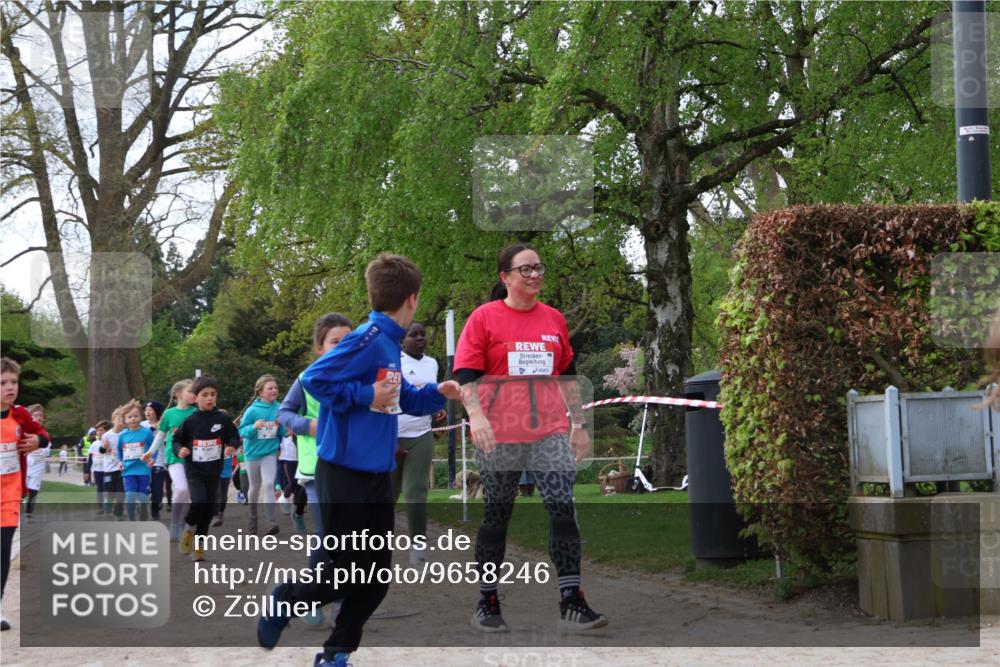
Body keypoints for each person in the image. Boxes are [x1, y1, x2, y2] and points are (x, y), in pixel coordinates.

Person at [257, 254, 462, 667]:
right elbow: (316, 378)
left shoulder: (388, 345)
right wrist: (366, 396)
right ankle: (287, 599)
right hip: (344, 474)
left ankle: (335, 654)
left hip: (376, 475)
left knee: (375, 580)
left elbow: (402, 399)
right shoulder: (368, 338)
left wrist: (442, 390)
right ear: (413, 299)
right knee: (345, 574)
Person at [452, 242, 607, 633]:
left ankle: (571, 601)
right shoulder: (483, 318)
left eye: (539, 267)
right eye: (526, 269)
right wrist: (477, 417)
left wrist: (579, 425)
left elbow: (568, 377)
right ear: (505, 277)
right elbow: (465, 378)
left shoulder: (554, 319)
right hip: (500, 433)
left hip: (549, 431)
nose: (535, 274)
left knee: (562, 506)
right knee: (497, 515)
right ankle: (487, 601)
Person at [278, 313, 353, 562]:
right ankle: (313, 593)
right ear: (319, 348)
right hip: (317, 468)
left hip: (355, 467)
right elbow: (284, 413)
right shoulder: (306, 379)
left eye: (349, 339)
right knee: (328, 536)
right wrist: (308, 425)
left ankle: (343, 595)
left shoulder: (363, 377)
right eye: (335, 341)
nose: (343, 346)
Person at [1, 357, 49, 631]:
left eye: (14, 382)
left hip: (9, 495)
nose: (10, 387)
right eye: (3, 383)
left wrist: (37, 441)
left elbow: (42, 433)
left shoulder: (20, 414)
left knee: (2, 551)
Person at [392, 321, 446, 565]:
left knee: (416, 491)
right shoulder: (394, 361)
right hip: (392, 437)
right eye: (413, 335)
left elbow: (430, 395)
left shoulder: (432, 363)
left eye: (423, 334)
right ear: (402, 340)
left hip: (421, 436)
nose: (420, 338)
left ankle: (418, 549)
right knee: (388, 496)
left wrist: (437, 411)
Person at [172, 376, 240, 562]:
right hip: (194, 470)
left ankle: (199, 546)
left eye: (213, 395)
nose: (210, 398)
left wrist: (231, 446)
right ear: (195, 398)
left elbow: (234, 437)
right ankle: (188, 528)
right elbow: (176, 441)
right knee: (200, 503)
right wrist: (180, 450)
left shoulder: (223, 419)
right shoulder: (189, 421)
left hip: (214, 470)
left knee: (210, 509)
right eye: (205, 395)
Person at [144, 380, 196, 540]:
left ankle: (182, 524)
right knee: (181, 489)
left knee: (187, 493)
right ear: (178, 393)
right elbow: (161, 435)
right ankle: (174, 522)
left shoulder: (197, 412)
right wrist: (150, 452)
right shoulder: (169, 414)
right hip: (173, 457)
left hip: (193, 458)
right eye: (191, 391)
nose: (194, 394)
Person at [237, 375, 286, 536]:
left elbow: (283, 432)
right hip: (252, 454)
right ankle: (252, 517)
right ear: (260, 392)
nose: (274, 390)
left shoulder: (279, 408)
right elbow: (241, 431)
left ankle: (271, 522)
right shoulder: (252, 410)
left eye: (276, 388)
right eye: (270, 388)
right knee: (254, 487)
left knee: (269, 485)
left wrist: (283, 427)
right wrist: (253, 427)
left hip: (270, 452)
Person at [117, 400, 156, 521]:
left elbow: (154, 448)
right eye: (130, 417)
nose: (133, 419)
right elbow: (119, 451)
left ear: (141, 417)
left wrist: (152, 460)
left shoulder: (147, 432)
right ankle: (132, 519)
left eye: (136, 416)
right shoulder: (122, 435)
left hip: (143, 469)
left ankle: (143, 513)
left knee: (143, 497)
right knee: (129, 496)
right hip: (128, 470)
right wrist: (120, 462)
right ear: (125, 419)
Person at [23, 404, 49, 521]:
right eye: (36, 415)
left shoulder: (45, 434)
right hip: (24, 467)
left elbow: (46, 450)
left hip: (37, 469)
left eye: (41, 415)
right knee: (20, 493)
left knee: (33, 492)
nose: (39, 417)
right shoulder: (23, 431)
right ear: (30, 416)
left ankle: (28, 514)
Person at [99, 407, 126, 519]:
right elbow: (101, 451)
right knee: (110, 491)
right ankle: (107, 502)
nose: (122, 422)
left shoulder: (126, 434)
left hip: (121, 468)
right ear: (113, 420)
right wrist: (104, 447)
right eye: (119, 419)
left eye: (123, 420)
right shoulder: (107, 435)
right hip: (109, 469)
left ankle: (118, 511)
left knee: (121, 491)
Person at [143, 401, 167, 519]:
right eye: (146, 410)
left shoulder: (163, 425)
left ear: (157, 412)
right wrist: (150, 430)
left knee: (157, 489)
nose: (147, 412)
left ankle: (155, 509)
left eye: (150, 409)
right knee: (144, 488)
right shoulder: (142, 425)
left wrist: (159, 428)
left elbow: (167, 441)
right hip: (144, 462)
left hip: (159, 461)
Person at [91, 421, 111, 513]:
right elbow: (90, 458)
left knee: (107, 488)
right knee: (100, 489)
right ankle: (101, 508)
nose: (99, 432)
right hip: (98, 470)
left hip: (108, 470)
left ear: (107, 431)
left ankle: (108, 506)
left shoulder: (110, 441)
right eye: (97, 430)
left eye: (101, 430)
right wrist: (88, 471)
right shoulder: (94, 444)